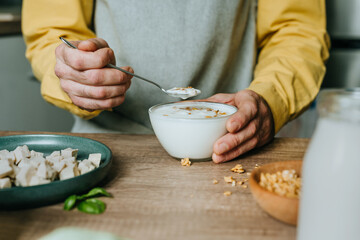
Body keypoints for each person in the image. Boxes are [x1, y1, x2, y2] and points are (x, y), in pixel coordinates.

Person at [22, 0, 330, 163]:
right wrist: (73, 69)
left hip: (233, 144)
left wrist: (270, 97)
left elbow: (296, 29)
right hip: (106, 147)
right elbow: (51, 29)